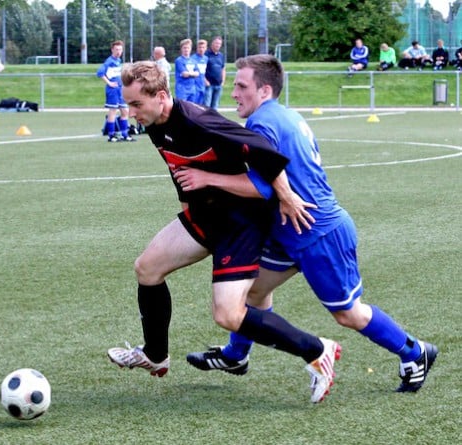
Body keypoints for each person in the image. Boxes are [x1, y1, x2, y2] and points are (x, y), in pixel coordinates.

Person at [182, 54, 438, 394]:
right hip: (290, 230)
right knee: (254, 291)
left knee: (348, 314)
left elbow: (262, 185)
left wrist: (205, 178)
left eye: (241, 86)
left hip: (319, 233)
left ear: (265, 89)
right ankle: (236, 355)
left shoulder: (263, 124)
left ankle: (414, 351)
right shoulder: (283, 116)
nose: (234, 94)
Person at [107, 61, 342, 404]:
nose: (130, 114)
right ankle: (155, 355)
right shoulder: (156, 123)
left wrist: (287, 196)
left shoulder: (196, 119)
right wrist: (188, 216)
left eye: (135, 105)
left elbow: (265, 153)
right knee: (147, 268)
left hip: (239, 222)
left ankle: (317, 349)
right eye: (127, 105)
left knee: (228, 315)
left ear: (160, 96)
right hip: (206, 215)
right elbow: (180, 170)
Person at [97, 40, 134, 142]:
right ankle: (111, 135)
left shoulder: (118, 61)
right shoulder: (109, 61)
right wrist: (109, 83)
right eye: (117, 49)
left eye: (120, 49)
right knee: (113, 111)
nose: (119, 51)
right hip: (113, 91)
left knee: (125, 111)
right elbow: (100, 73)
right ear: (112, 50)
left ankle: (125, 134)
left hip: (120, 90)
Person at [204, 36, 226, 109]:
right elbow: (201, 69)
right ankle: (205, 120)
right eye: (216, 43)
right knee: (207, 106)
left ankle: (213, 120)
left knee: (215, 106)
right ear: (212, 44)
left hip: (218, 85)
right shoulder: (206, 55)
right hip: (209, 85)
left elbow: (223, 68)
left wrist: (223, 81)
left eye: (219, 44)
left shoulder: (221, 55)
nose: (218, 45)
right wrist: (205, 80)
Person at [174, 38, 199, 102]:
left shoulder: (193, 61)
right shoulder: (179, 60)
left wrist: (190, 74)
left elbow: (197, 74)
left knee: (191, 108)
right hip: (182, 89)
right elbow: (184, 74)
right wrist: (192, 73)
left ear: (190, 49)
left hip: (192, 88)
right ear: (181, 49)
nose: (186, 49)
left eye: (188, 48)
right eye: (184, 48)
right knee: (181, 108)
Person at [191, 39, 208, 105]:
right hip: (195, 85)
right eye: (200, 47)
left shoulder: (206, 58)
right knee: (194, 104)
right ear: (197, 48)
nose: (201, 49)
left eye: (203, 47)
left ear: (206, 48)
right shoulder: (192, 58)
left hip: (203, 85)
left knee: (202, 105)